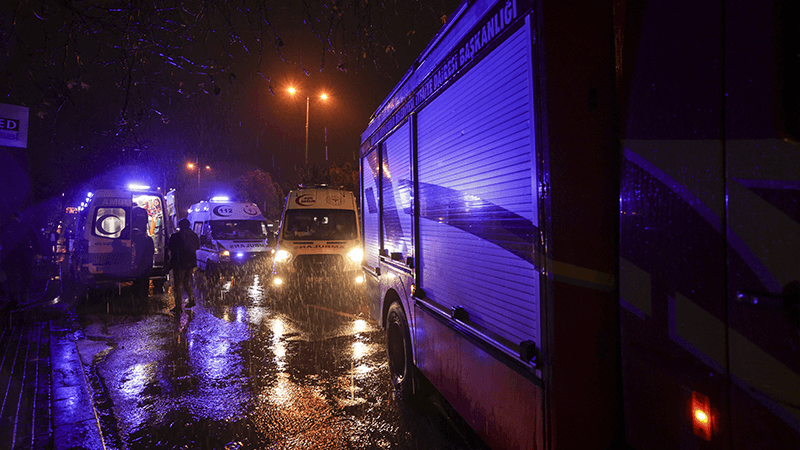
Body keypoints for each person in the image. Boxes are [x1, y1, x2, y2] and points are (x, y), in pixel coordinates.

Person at [0, 211, 41, 309]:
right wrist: (38, 252)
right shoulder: (27, 227)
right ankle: (23, 298)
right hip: (25, 256)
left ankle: (14, 299)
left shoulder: (5, 227)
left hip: (9, 257)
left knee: (12, 279)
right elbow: (36, 240)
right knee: (26, 278)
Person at [168, 218, 199, 313]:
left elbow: (171, 249)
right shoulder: (194, 236)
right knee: (186, 281)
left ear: (180, 226)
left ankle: (178, 307)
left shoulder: (175, 236)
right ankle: (191, 299)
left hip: (179, 263)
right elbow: (197, 247)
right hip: (190, 263)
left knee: (178, 284)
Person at [131, 207, 155, 299]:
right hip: (148, 264)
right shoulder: (149, 239)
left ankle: (138, 297)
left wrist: (135, 264)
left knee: (138, 280)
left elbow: (138, 253)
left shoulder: (138, 241)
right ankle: (144, 296)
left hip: (141, 265)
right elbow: (152, 251)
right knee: (145, 280)